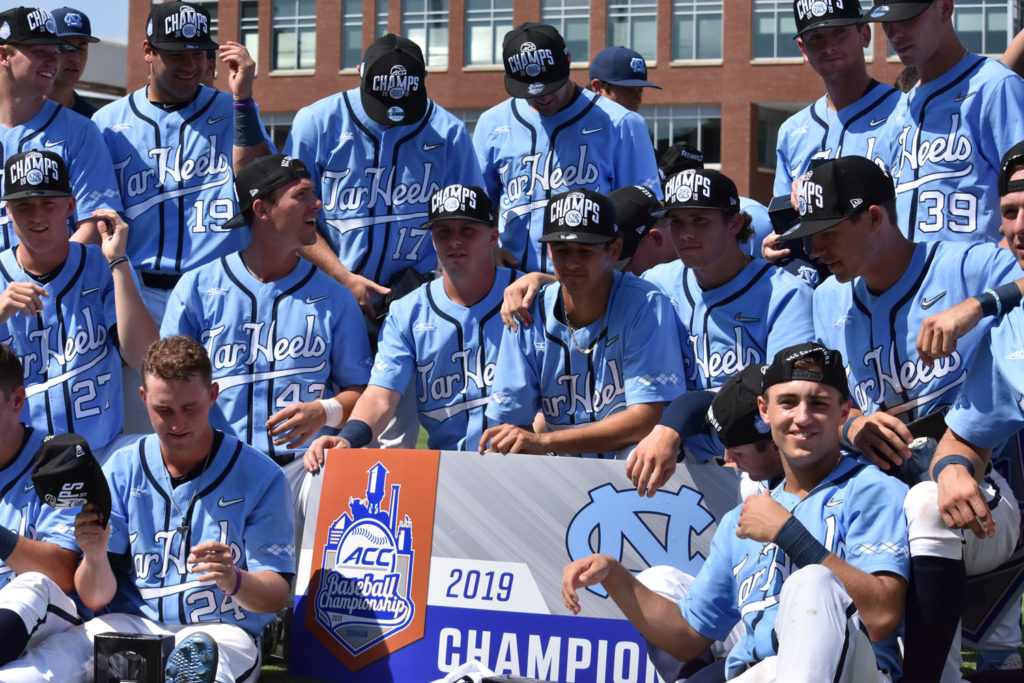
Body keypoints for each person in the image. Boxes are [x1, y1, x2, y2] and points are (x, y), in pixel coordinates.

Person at [562, 342, 910, 682]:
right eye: (788, 402)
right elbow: (686, 636)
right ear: (765, 410)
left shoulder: (872, 489)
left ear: (844, 411)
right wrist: (614, 575)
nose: (802, 417)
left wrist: (788, 534)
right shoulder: (743, 520)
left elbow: (881, 617)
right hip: (759, 671)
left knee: (813, 582)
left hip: (855, 672)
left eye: (818, 403)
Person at [0, 335, 295, 682]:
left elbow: (277, 595)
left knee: (210, 666)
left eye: (190, 408)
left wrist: (236, 579)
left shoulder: (262, 475)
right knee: (27, 674)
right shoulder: (121, 468)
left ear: (212, 395)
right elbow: (94, 598)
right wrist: (94, 556)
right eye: (163, 409)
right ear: (143, 399)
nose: (177, 423)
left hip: (220, 631)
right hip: (129, 625)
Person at [790, 157, 1019, 474]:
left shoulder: (969, 267)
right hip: (884, 489)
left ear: (873, 217)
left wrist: (979, 304)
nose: (814, 249)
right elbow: (814, 395)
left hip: (984, 474)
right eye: (809, 236)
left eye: (827, 233)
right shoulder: (826, 299)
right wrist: (851, 426)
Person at [161, 154, 371, 465]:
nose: (317, 204)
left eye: (313, 193)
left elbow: (365, 392)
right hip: (218, 466)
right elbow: (165, 383)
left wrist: (326, 410)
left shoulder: (336, 298)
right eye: (301, 195)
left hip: (307, 467)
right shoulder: (197, 288)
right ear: (261, 209)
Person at [303, 184, 521, 473]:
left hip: (525, 467)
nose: (454, 241)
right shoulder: (408, 311)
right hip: (449, 472)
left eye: (467, 230)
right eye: (443, 232)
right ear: (432, 240)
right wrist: (347, 439)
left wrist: (543, 280)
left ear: (493, 236)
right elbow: (381, 395)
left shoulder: (527, 295)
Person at [91, 1, 270, 321]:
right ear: (148, 50)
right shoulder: (106, 123)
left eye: (198, 53)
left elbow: (264, 186)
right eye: (177, 54)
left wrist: (243, 101)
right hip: (140, 291)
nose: (190, 64)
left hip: (222, 289)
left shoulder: (235, 110)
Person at [283, 33, 482, 319]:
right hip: (326, 291)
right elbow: (291, 219)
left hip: (417, 297)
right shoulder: (317, 122)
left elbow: (468, 221)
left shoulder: (448, 132)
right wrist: (342, 276)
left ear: (424, 78)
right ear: (359, 74)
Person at [480, 188, 684, 459]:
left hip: (628, 464)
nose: (573, 262)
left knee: (640, 453)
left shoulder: (645, 304)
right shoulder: (527, 310)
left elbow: (644, 418)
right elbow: (513, 418)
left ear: (614, 249)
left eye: (585, 250)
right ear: (549, 252)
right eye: (562, 250)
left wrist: (544, 441)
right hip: (560, 466)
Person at [627, 364, 785, 681]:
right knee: (655, 583)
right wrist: (665, 431)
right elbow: (699, 404)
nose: (727, 457)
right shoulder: (752, 475)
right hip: (751, 614)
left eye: (736, 448)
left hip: (794, 637)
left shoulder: (828, 478)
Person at [0, 150, 157, 457]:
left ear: (71, 206)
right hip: (18, 464)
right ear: (7, 209)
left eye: (48, 202)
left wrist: (120, 264)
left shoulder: (104, 266)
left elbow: (144, 358)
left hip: (101, 453)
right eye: (24, 205)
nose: (37, 216)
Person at [474, 22, 661, 273]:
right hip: (512, 286)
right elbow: (475, 204)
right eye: (529, 88)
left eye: (550, 83)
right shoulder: (492, 123)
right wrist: (488, 247)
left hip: (592, 286)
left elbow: (645, 213)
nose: (542, 96)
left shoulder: (622, 123)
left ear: (569, 60)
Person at [642, 168, 814, 392]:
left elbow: (788, 396)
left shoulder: (787, 295)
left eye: (700, 220)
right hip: (669, 426)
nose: (686, 234)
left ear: (734, 224)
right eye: (676, 222)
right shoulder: (655, 285)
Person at [867, 0, 1024, 243]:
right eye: (887, 22)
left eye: (908, 19)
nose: (895, 34)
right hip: (913, 279)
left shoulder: (996, 86)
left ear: (945, 7)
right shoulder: (900, 112)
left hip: (983, 276)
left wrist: (1000, 271)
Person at [765, 0, 900, 265]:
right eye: (816, 37)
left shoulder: (904, 111)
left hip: (888, 274)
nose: (829, 46)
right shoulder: (792, 131)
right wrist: (775, 244)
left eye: (839, 32)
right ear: (802, 48)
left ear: (865, 34)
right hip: (819, 284)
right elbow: (784, 227)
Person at [0, 5, 121, 249]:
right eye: (40, 51)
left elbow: (96, 226)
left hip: (50, 285)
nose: (53, 60)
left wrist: (37, 277)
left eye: (56, 51)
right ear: (3, 56)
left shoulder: (81, 131)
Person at [0, 344, 81, 667]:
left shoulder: (58, 460)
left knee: (33, 586)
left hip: (49, 625)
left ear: (17, 400)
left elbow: (61, 575)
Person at [48, 6, 99, 118]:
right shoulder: (18, 113)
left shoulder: (95, 119)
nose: (75, 58)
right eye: (66, 46)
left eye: (82, 47)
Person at [588, 45, 660, 113]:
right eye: (628, 89)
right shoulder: (578, 123)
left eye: (640, 90)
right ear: (598, 87)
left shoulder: (633, 124)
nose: (638, 100)